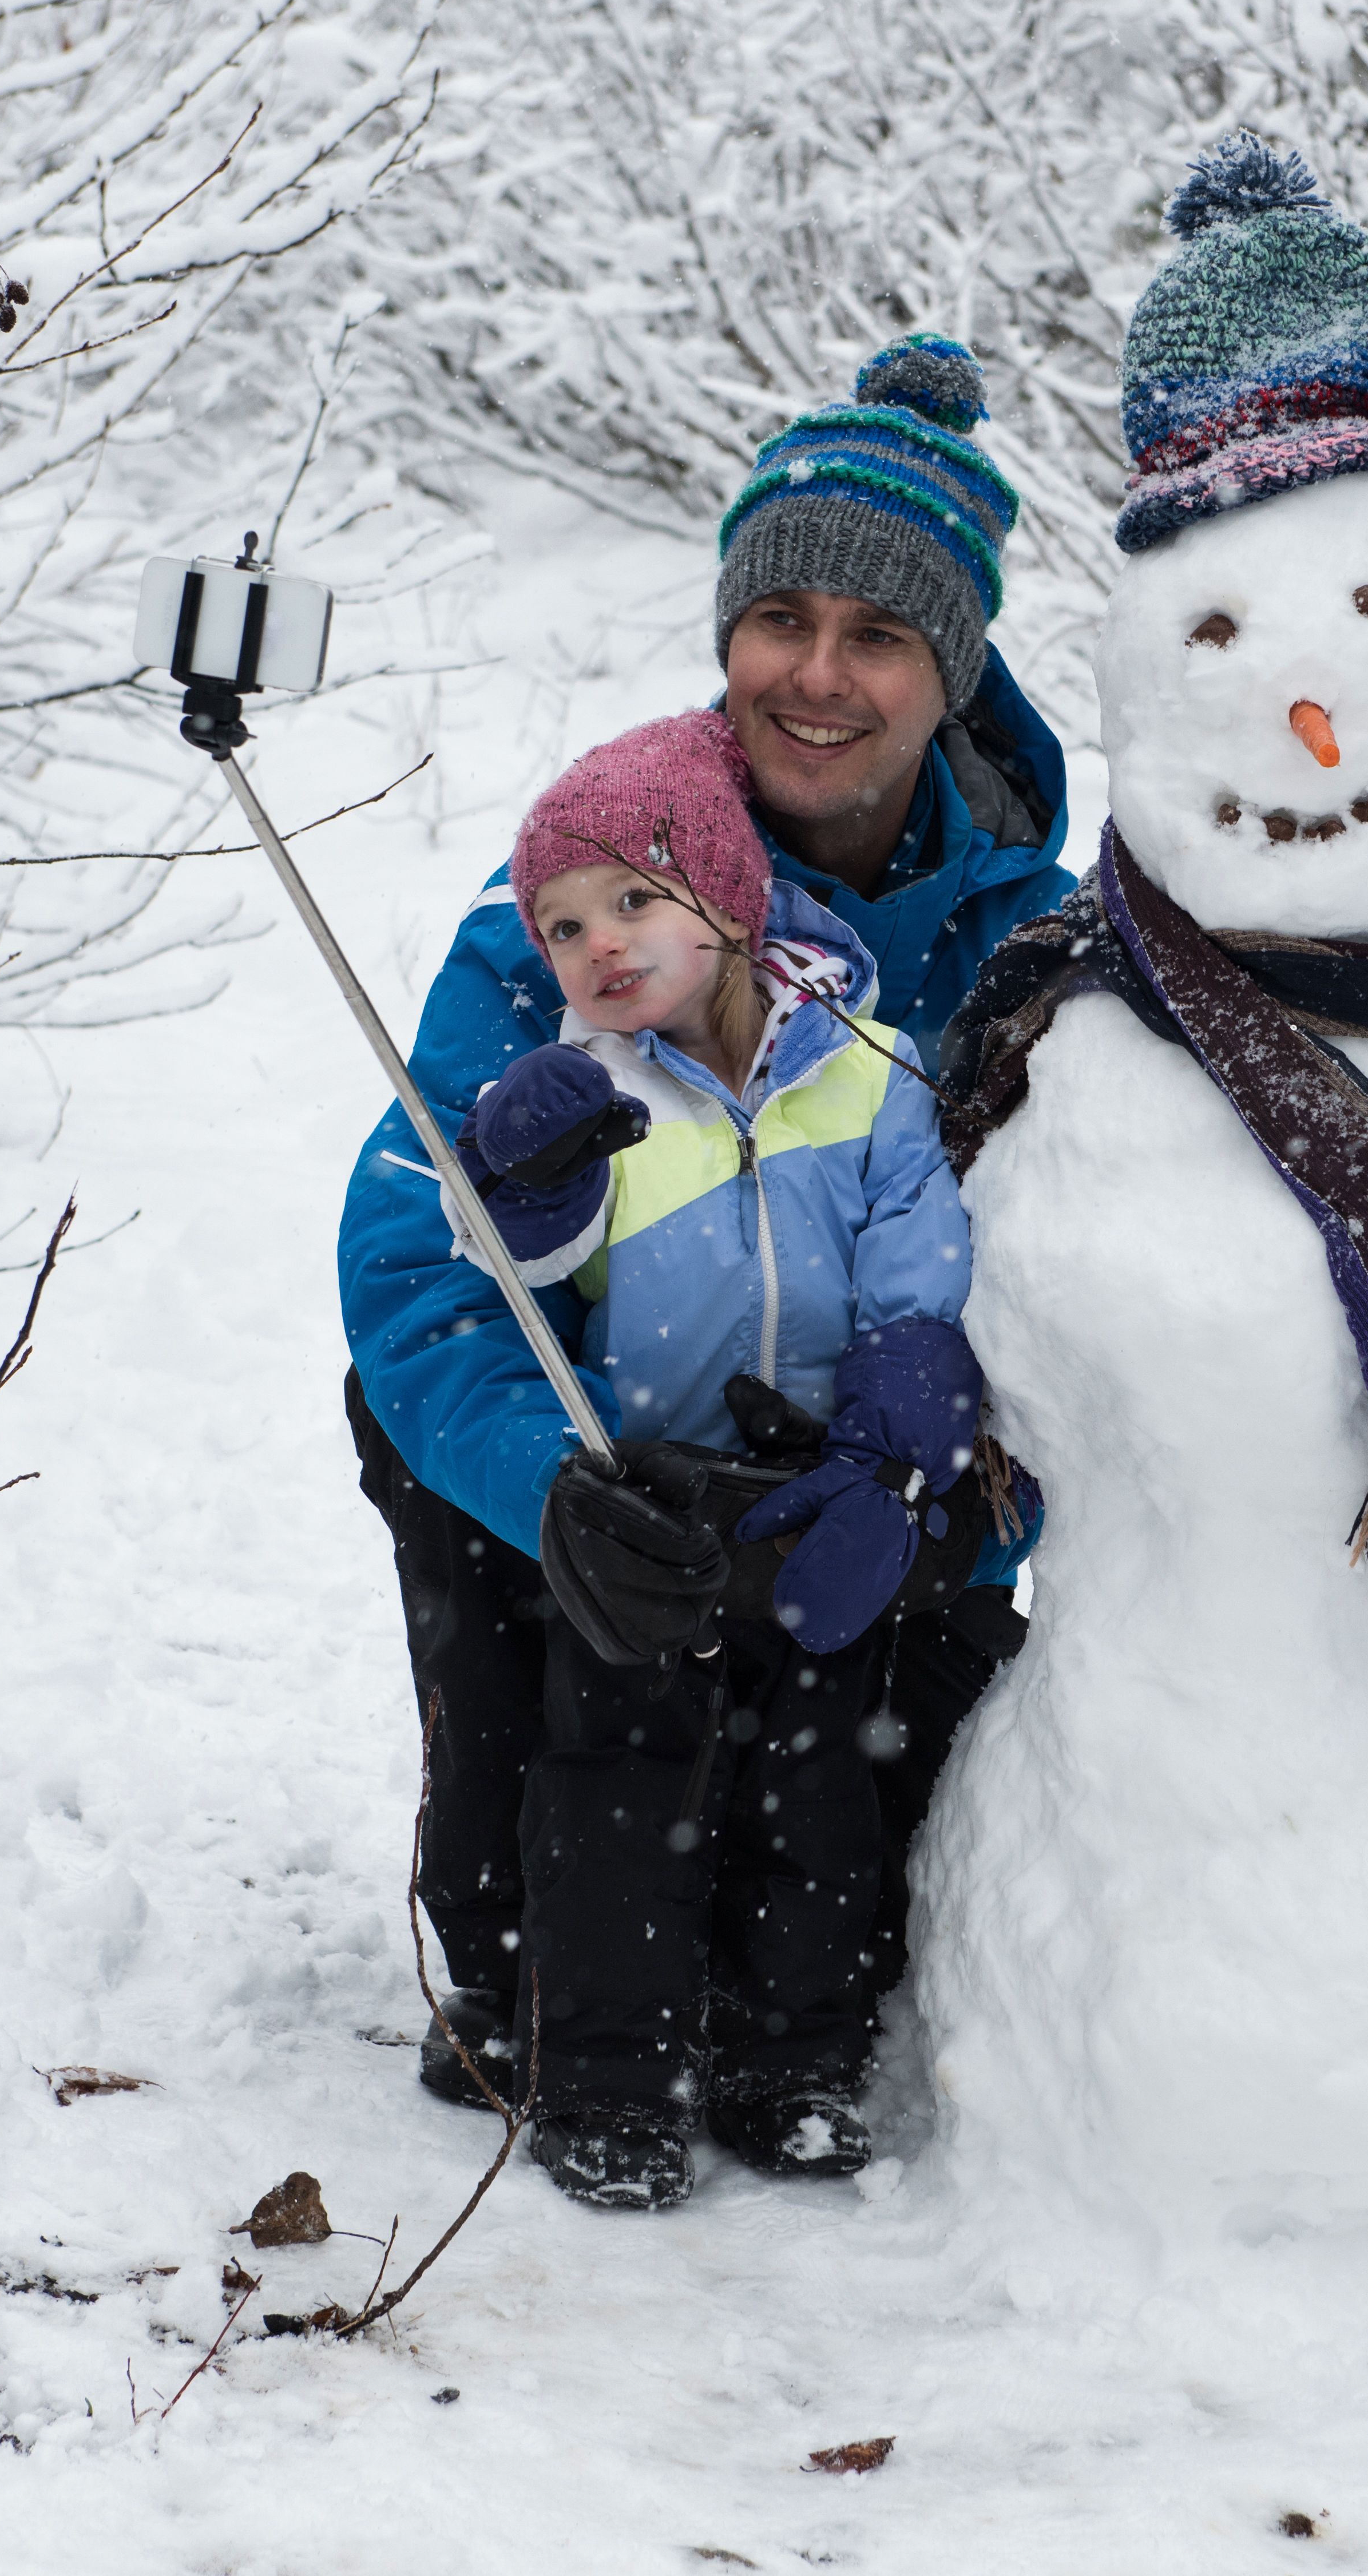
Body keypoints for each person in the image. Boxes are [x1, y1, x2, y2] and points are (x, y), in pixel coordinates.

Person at [336, 335, 1074, 2122]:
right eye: (782, 620)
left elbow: (1094, 1295)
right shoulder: (584, 912)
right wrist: (550, 1490)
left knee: (839, 1929)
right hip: (615, 1470)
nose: (818, 677)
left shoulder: (1033, 955)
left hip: (874, 1495)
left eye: (880, 636)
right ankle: (516, 1935)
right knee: (543, 1913)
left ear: (951, 667)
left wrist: (943, 1501)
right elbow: (416, 1259)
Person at [432, 711, 997, 2207]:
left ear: (731, 898)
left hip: (814, 1492)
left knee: (814, 1797)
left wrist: (895, 1455)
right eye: (562, 924)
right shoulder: (585, 1090)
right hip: (651, 1502)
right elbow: (512, 1263)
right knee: (615, 1794)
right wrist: (519, 1174)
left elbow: (920, 1273)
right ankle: (607, 2083)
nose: (598, 946)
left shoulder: (870, 1080)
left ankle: (788, 2066)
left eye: (634, 899)